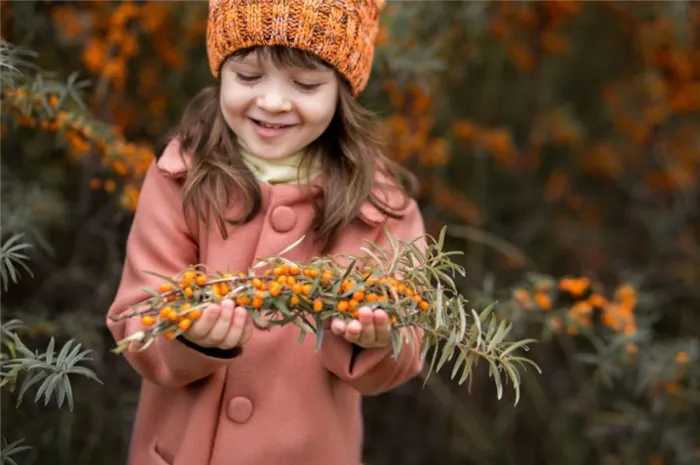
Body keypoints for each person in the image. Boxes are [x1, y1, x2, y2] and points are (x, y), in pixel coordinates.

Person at [106, 0, 427, 464]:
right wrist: (188, 335)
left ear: (342, 89)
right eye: (249, 76)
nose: (273, 102)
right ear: (221, 70)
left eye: (305, 84)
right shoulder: (181, 177)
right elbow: (135, 313)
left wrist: (377, 338)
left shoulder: (380, 209)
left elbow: (408, 337)